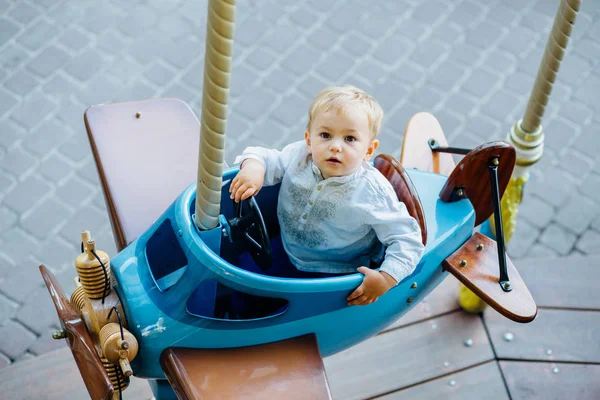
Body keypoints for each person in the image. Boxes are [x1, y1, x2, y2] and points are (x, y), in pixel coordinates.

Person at [230, 86, 424, 306]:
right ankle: (238, 311)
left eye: (350, 138)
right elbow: (265, 157)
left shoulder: (372, 192)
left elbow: (407, 238)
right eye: (325, 135)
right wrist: (254, 167)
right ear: (309, 140)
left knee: (298, 306)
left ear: (369, 150)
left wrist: (386, 278)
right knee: (243, 272)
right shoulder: (299, 155)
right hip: (289, 248)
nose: (335, 146)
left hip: (334, 269)